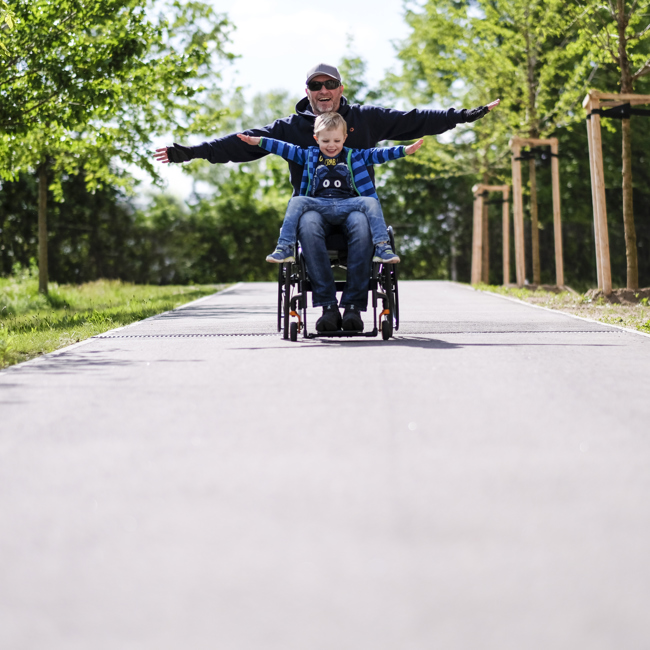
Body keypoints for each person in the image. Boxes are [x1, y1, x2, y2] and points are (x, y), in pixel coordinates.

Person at [154, 62, 499, 333]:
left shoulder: (364, 119)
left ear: (339, 89)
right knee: (307, 221)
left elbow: (413, 120)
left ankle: (352, 308)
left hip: (355, 206)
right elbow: (243, 142)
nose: (323, 90)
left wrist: (462, 116)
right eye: (316, 85)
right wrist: (191, 152)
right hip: (313, 209)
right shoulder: (291, 127)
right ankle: (327, 308)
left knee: (363, 222)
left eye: (330, 84)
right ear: (307, 91)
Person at [236, 111, 423, 267]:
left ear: (344, 138)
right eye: (325, 141)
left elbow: (379, 154)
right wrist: (259, 141)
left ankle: (382, 247)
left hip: (348, 203)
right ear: (316, 139)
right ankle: (285, 247)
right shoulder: (308, 155)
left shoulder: (354, 156)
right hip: (319, 204)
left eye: (336, 140)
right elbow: (283, 148)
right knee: (296, 201)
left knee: (371, 201)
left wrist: (404, 151)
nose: (331, 145)